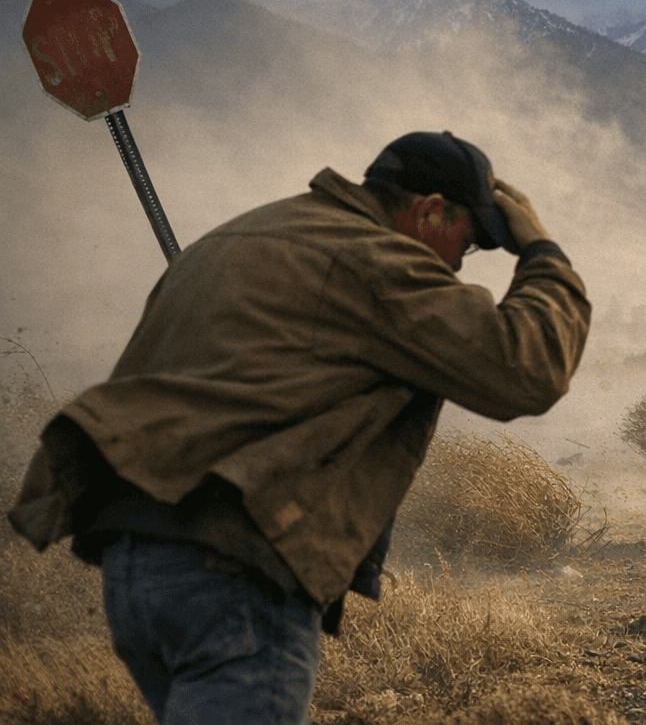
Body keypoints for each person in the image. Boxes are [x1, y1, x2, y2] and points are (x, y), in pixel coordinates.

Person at [7, 131, 590, 725]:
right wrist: (543, 252)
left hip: (135, 566)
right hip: (232, 569)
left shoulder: (241, 236)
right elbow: (527, 368)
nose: (456, 266)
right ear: (430, 210)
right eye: (463, 246)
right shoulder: (374, 260)